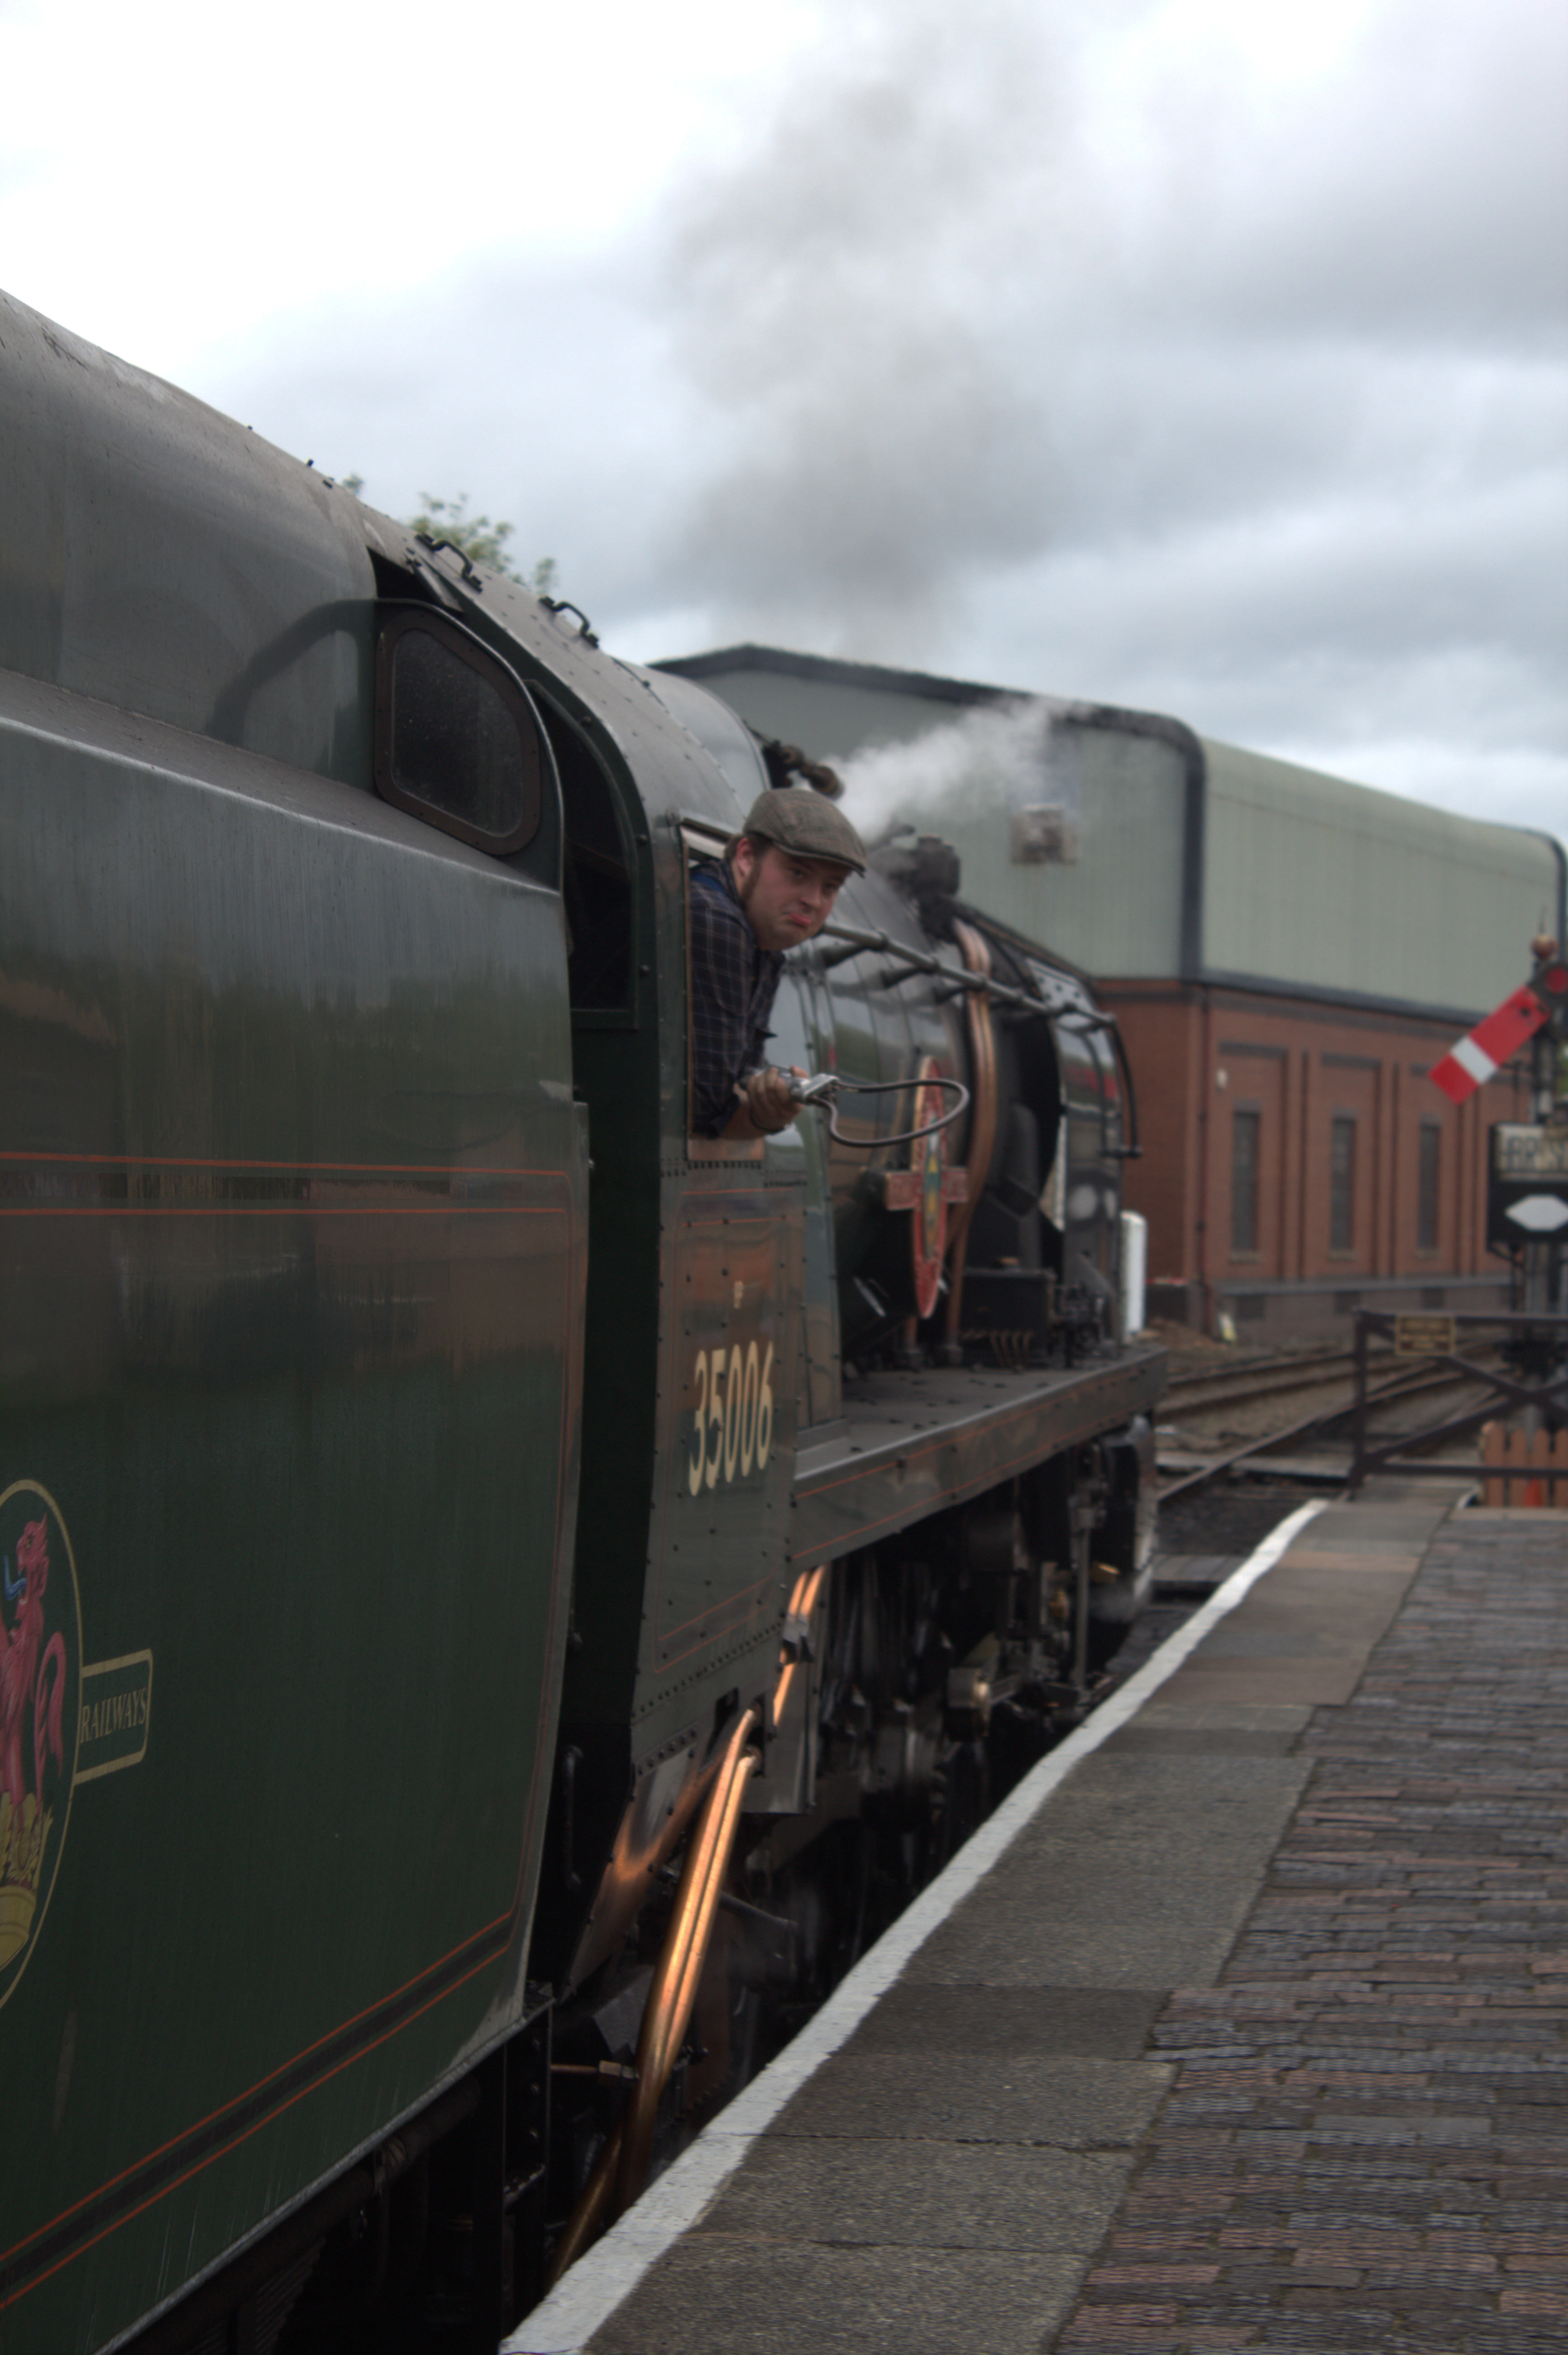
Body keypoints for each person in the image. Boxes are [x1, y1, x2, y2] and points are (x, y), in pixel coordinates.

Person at [689, 785, 868, 1140]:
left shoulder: (764, 943)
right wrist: (760, 1115)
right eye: (798, 874)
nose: (814, 900)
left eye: (830, 887)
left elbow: (722, 1102)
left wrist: (770, 1110)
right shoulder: (715, 920)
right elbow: (704, 1116)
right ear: (746, 857)